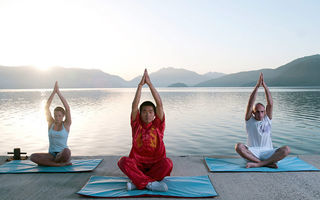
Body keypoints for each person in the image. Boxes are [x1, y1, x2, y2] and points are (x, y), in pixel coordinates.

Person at [118, 69, 173, 192]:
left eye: (150, 112)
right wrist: (140, 86)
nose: (147, 115)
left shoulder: (158, 125)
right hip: (138, 165)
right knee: (123, 162)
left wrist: (150, 84)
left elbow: (159, 104)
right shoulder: (136, 124)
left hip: (156, 164)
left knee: (168, 163)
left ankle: (138, 182)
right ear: (140, 114)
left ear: (154, 115)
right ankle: (150, 183)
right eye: (144, 111)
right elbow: (134, 106)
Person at [235, 73, 290, 168]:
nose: (260, 114)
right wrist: (257, 86)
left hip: (268, 151)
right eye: (257, 112)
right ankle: (266, 163)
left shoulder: (267, 119)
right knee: (238, 147)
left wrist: (265, 86)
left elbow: (270, 103)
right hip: (253, 152)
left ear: (265, 112)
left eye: (262, 112)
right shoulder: (249, 120)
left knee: (286, 150)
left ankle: (259, 164)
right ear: (253, 112)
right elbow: (250, 102)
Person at [30, 81, 72, 166]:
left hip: (62, 154)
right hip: (51, 155)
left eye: (59, 116)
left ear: (63, 116)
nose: (57, 118)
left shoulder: (66, 125)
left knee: (67, 152)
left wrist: (58, 92)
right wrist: (53, 92)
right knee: (33, 157)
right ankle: (58, 164)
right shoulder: (51, 124)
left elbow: (67, 108)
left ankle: (51, 163)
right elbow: (46, 107)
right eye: (55, 116)